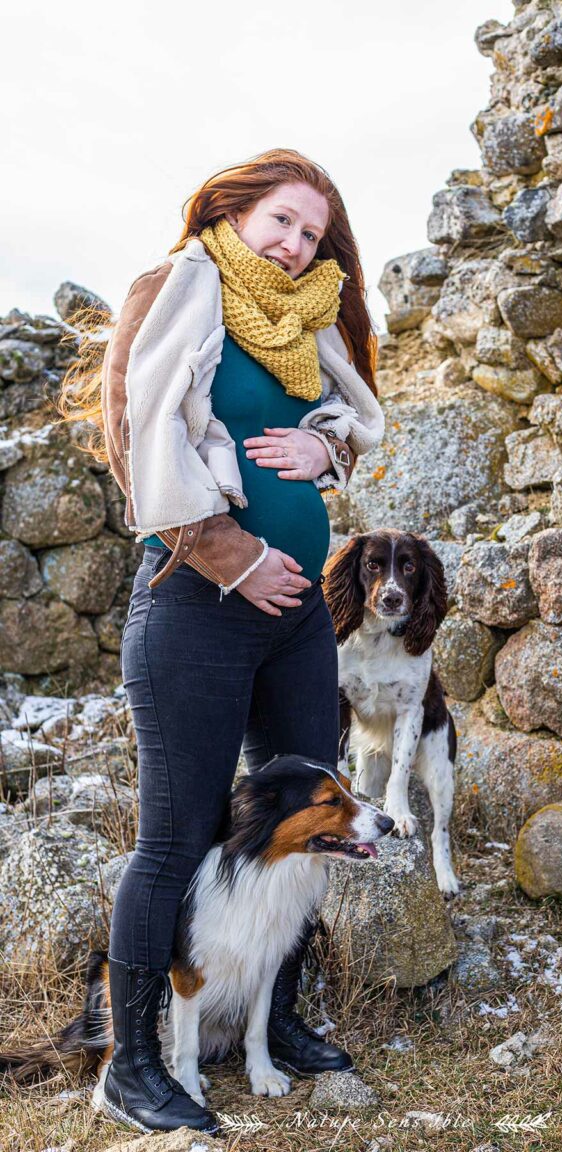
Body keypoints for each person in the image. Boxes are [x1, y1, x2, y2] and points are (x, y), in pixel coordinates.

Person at [57, 148, 384, 1134]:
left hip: (298, 622)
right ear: (233, 211)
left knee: (311, 823)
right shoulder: (175, 288)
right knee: (176, 840)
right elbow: (137, 439)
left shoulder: (309, 316)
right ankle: (134, 1064)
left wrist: (327, 443)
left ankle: (275, 1022)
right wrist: (235, 557)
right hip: (195, 608)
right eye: (281, 221)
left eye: (312, 234)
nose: (295, 245)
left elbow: (344, 419)